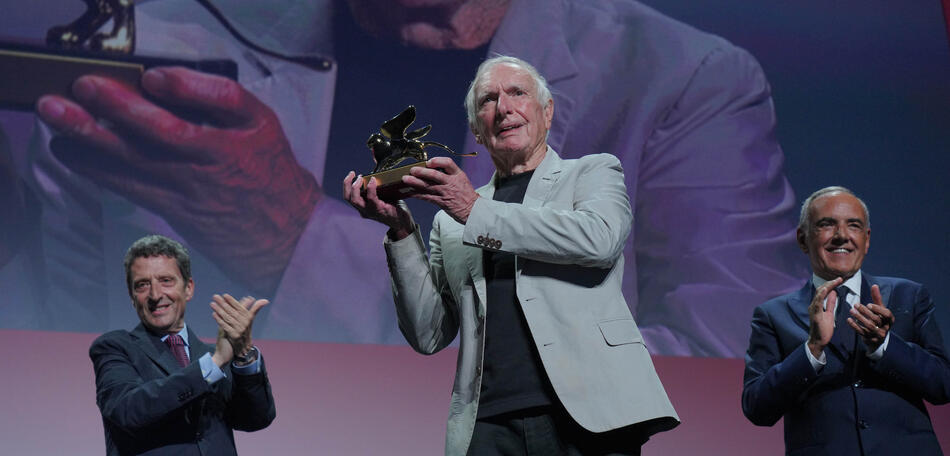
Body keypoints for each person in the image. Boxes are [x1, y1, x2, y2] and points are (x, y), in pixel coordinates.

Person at [20, 0, 804, 356]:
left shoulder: (682, 85)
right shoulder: (169, 45)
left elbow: (725, 385)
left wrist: (297, 242)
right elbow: (71, 341)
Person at [343, 55, 678, 456]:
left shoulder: (592, 173)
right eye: (488, 100)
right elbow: (429, 333)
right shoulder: (449, 221)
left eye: (517, 93)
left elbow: (599, 240)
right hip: (486, 435)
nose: (503, 107)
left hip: (587, 421)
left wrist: (473, 210)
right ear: (476, 131)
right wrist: (400, 232)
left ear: (547, 111)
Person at [741, 186, 950, 456]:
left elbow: (943, 384)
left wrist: (885, 346)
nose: (842, 235)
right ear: (803, 239)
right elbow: (756, 406)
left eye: (853, 225)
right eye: (827, 224)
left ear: (866, 239)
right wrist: (812, 349)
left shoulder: (908, 297)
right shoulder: (773, 315)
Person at [88, 234, 274, 456]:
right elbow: (128, 410)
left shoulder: (215, 355)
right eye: (142, 285)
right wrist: (214, 363)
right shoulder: (115, 347)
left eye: (166, 280)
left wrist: (243, 356)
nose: (155, 294)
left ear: (188, 288)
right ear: (132, 295)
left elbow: (255, 418)